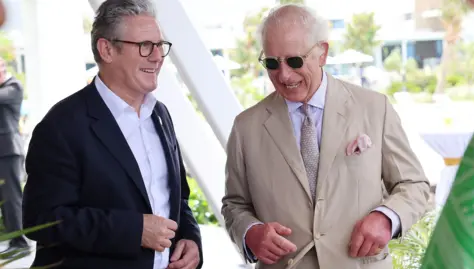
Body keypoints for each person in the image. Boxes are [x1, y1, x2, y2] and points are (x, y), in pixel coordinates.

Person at [221, 4, 430, 269]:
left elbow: (414, 184)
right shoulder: (245, 127)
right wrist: (250, 232)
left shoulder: (375, 108)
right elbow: (234, 204)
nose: (284, 75)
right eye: (272, 63)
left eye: (295, 61)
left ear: (322, 52)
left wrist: (387, 217)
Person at [22, 1, 202, 268]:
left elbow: (177, 199)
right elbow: (42, 220)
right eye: (144, 46)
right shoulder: (61, 126)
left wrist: (190, 239)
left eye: (160, 45)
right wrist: (134, 230)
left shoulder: (160, 114)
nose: (157, 56)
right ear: (106, 49)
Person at [0, 57, 29, 254]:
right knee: (4, 198)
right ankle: (12, 239)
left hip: (9, 151)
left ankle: (20, 242)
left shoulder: (14, 87)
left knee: (11, 197)